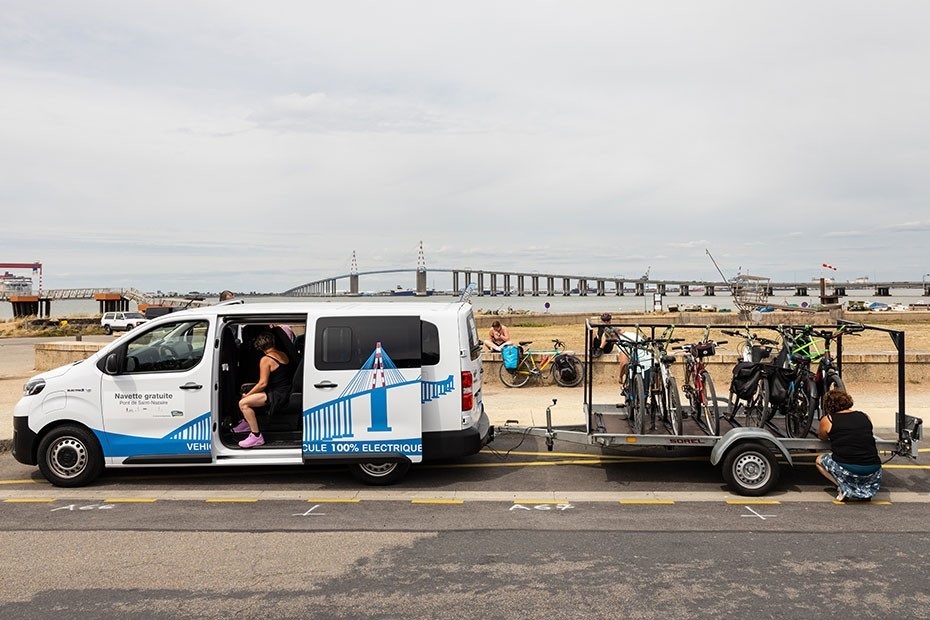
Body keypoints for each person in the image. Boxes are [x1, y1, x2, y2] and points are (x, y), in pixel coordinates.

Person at [815, 389, 882, 501]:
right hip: (873, 468)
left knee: (819, 460)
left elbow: (822, 437)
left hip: (848, 467)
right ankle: (864, 490)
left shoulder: (829, 420)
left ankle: (843, 487)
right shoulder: (864, 416)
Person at [233, 331, 294, 448]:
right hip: (285, 389)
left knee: (243, 403)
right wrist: (248, 391)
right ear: (273, 342)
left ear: (259, 347)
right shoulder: (282, 354)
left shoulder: (266, 360)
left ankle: (256, 436)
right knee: (244, 387)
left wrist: (248, 395)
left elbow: (262, 384)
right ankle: (247, 421)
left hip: (277, 395)